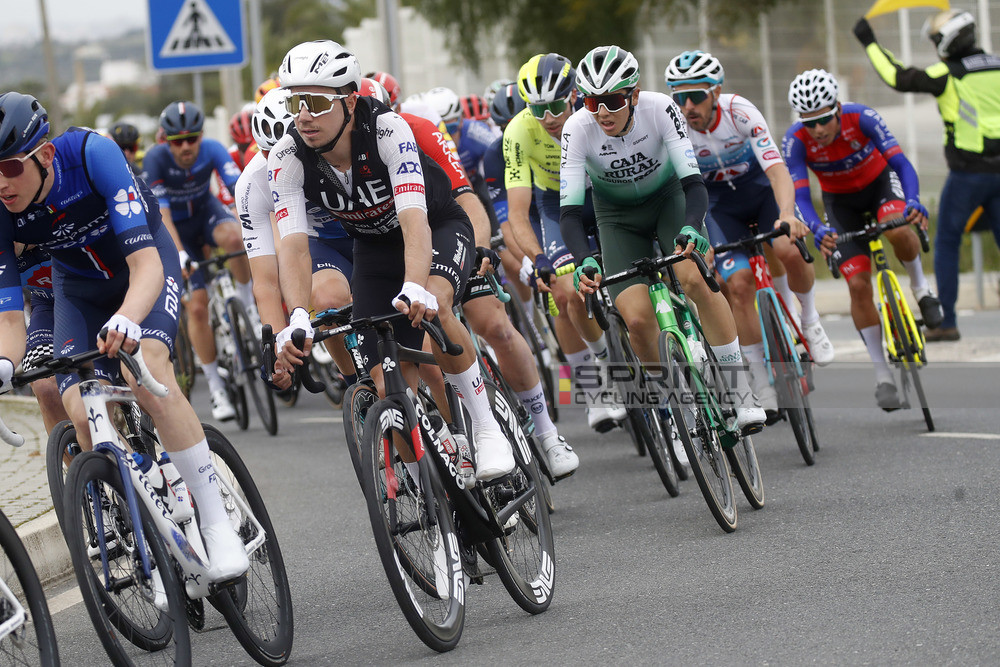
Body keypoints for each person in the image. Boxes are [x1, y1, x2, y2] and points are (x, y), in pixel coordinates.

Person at [0, 91, 248, 583]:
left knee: (149, 371)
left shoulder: (93, 154)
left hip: (144, 267)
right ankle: (140, 514)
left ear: (45, 155)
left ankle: (216, 522)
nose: (0, 184)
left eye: (8, 168)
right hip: (79, 289)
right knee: (79, 410)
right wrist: (4, 367)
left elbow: (146, 264)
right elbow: (10, 321)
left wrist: (131, 318)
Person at [267, 40, 516, 482]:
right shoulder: (286, 156)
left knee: (434, 304)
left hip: (434, 227)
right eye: (294, 101)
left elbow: (414, 221)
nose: (303, 114)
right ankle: (435, 501)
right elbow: (293, 248)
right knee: (387, 383)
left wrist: (417, 285)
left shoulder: (387, 129)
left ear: (349, 99)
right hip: (375, 249)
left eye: (316, 101)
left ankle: (486, 426)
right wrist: (300, 314)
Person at [357, 79, 578, 478]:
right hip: (398, 255)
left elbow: (465, 198)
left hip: (448, 234)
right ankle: (457, 444)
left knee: (494, 324)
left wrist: (477, 250)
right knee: (418, 349)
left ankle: (545, 431)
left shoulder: (419, 129)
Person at [564, 45, 766, 435]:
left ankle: (742, 393)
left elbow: (693, 182)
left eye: (611, 100)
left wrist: (691, 226)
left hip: (669, 202)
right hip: (617, 218)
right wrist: (585, 258)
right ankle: (678, 410)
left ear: (634, 95)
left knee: (694, 280)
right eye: (591, 101)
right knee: (637, 319)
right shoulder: (578, 127)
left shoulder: (660, 109)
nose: (601, 111)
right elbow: (571, 211)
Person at [663, 50, 835, 418]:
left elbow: (776, 170)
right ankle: (759, 381)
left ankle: (809, 320)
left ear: (716, 91)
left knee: (789, 248)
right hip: (721, 207)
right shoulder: (674, 126)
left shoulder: (740, 111)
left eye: (696, 96)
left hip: (761, 194)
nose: (688, 105)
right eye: (679, 97)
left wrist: (787, 214)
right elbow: (679, 191)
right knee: (738, 284)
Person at [782, 69, 941, 410]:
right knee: (857, 284)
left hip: (880, 187)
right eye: (810, 123)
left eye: (824, 119)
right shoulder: (796, 140)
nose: (818, 129)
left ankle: (921, 288)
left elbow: (900, 163)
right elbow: (800, 196)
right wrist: (816, 227)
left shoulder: (862, 117)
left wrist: (913, 200)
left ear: (837, 109)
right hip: (841, 205)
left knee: (898, 228)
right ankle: (882, 374)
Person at [854, 9, 1000, 342]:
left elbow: (897, 77)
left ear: (949, 40)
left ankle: (946, 321)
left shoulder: (948, 72)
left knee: (946, 241)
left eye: (936, 40)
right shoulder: (996, 63)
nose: (936, 46)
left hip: (969, 174)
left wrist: (870, 42)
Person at [505, 52, 626, 432]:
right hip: (558, 207)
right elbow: (518, 214)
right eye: (537, 109)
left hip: (607, 196)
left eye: (557, 105)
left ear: (574, 95)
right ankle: (595, 387)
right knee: (562, 291)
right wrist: (538, 257)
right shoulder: (518, 132)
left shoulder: (597, 114)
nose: (549, 118)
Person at [142, 100, 254, 421]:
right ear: (166, 140)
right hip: (176, 232)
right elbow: (162, 215)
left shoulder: (214, 149)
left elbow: (239, 190)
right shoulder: (155, 159)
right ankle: (217, 388)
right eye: (178, 141)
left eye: (193, 139)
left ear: (202, 136)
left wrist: (253, 227)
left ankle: (248, 305)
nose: (186, 147)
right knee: (197, 306)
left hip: (206, 215)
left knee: (235, 238)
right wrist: (178, 254)